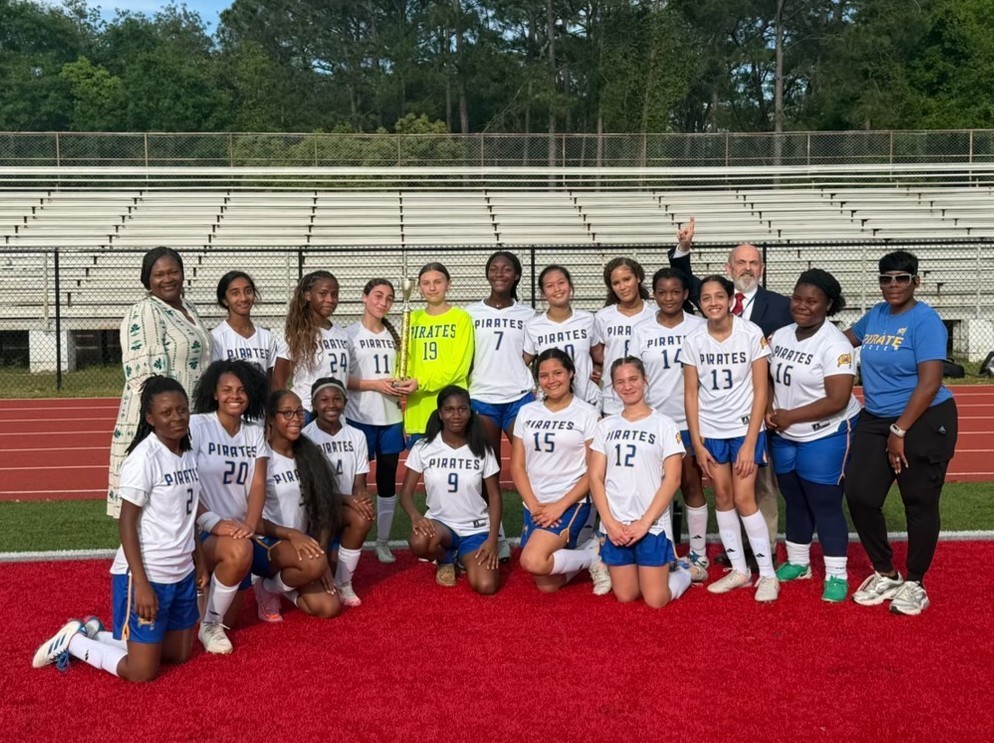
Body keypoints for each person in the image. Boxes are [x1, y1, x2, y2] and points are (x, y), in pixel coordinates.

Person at [33, 376, 207, 681]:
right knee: (141, 672)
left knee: (179, 655)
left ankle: (100, 633)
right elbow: (126, 522)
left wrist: (200, 559)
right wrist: (140, 583)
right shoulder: (144, 458)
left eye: (181, 410)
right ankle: (73, 641)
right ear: (150, 418)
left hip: (181, 571)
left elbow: (188, 514)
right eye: (166, 413)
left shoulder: (188, 455)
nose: (176, 417)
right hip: (149, 572)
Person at [843, 250, 958, 615]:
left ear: (915, 282)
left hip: (923, 417)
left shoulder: (925, 320)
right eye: (886, 279)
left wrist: (900, 429)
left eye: (901, 279)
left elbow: (930, 382)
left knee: (918, 501)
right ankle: (886, 572)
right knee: (859, 493)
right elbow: (841, 341)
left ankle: (916, 582)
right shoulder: (875, 315)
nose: (893, 285)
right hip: (877, 417)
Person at [669, 219, 791, 560]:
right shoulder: (715, 295)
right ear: (729, 267)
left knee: (759, 485)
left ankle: (761, 549)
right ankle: (733, 548)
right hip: (717, 419)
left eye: (754, 263)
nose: (747, 268)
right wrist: (684, 248)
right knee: (725, 490)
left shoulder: (780, 305)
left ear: (762, 269)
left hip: (758, 409)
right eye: (741, 262)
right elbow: (680, 278)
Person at [767, 270, 862, 603]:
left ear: (828, 305)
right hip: (784, 431)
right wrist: (769, 408)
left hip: (826, 432)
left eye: (812, 301)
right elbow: (768, 380)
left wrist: (789, 415)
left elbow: (837, 399)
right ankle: (798, 561)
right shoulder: (780, 335)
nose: (802, 306)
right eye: (797, 298)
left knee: (825, 503)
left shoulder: (836, 344)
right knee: (793, 497)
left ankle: (836, 573)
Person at [682, 275, 779, 602]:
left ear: (731, 299)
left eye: (719, 296)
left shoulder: (750, 334)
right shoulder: (694, 339)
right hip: (712, 431)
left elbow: (761, 389)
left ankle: (767, 574)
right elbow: (691, 393)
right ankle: (739, 570)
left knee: (745, 498)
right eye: (706, 298)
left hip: (743, 431)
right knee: (722, 498)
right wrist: (697, 442)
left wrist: (751, 441)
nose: (713, 303)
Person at [107, 247, 212, 518]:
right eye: (159, 274)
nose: (168, 279)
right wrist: (165, 423)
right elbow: (146, 378)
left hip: (186, 418)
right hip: (160, 422)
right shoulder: (146, 311)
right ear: (147, 280)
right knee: (153, 507)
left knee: (182, 504)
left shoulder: (188, 307)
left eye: (173, 272)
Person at [588, 357, 693, 608]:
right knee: (626, 595)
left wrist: (644, 523)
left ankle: (685, 571)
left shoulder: (664, 424)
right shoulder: (606, 426)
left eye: (633, 379)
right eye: (620, 382)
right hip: (616, 524)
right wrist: (610, 524)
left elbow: (673, 478)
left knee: (655, 600)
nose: (627, 386)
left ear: (645, 381)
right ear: (613, 388)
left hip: (651, 524)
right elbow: (595, 477)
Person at [189, 359, 270, 652]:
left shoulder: (255, 431)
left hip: (237, 533)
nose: (234, 396)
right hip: (201, 531)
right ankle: (209, 623)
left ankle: (211, 599)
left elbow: (258, 483)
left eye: (241, 390)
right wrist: (212, 521)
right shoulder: (196, 425)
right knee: (239, 550)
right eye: (227, 389)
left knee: (233, 620)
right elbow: (185, 485)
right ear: (214, 393)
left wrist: (249, 525)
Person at [634, 267, 708, 581]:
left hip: (688, 419)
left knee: (691, 484)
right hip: (654, 422)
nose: (668, 297)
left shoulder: (700, 326)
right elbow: (634, 374)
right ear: (653, 294)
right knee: (655, 489)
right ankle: (662, 552)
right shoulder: (641, 329)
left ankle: (699, 555)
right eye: (662, 292)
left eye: (675, 291)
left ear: (686, 294)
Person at [511, 349, 602, 593]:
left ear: (571, 373)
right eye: (544, 375)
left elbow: (593, 471)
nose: (551, 380)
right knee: (547, 583)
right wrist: (532, 504)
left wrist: (559, 506)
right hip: (535, 503)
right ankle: (589, 550)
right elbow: (517, 466)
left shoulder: (587, 413)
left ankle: (595, 556)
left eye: (558, 373)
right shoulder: (527, 411)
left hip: (570, 502)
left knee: (532, 560)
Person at [398, 386, 502, 595]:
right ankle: (445, 559)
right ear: (440, 413)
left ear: (470, 412)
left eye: (462, 409)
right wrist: (416, 517)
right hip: (441, 525)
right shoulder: (424, 447)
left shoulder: (482, 449)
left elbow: (495, 496)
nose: (456, 415)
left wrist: (492, 540)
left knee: (486, 586)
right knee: (419, 541)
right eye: (449, 409)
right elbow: (405, 494)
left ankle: (464, 557)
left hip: (475, 528)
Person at [466, 251, 536, 561]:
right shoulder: (470, 313)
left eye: (506, 269)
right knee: (488, 471)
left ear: (517, 276)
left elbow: (530, 354)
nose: (499, 274)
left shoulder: (529, 314)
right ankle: (498, 537)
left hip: (519, 396)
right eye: (494, 269)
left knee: (532, 465)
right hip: (482, 396)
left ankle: (533, 529)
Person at [251, 390, 344, 622]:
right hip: (266, 542)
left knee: (328, 607)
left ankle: (274, 587)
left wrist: (321, 556)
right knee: (313, 564)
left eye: (299, 412)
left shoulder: (308, 453)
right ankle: (267, 586)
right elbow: (251, 518)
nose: (296, 418)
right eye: (287, 413)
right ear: (271, 418)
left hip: (299, 545)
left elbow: (323, 508)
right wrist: (291, 534)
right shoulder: (260, 457)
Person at [345, 279, 410, 563]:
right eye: (378, 296)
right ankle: (348, 537)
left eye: (389, 299)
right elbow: (342, 378)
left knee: (386, 481)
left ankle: (382, 541)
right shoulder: (348, 334)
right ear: (364, 298)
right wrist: (375, 385)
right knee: (353, 483)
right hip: (358, 417)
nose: (383, 303)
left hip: (391, 417)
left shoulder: (396, 337)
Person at [303, 378, 374, 607]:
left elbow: (360, 483)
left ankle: (344, 582)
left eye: (336, 399)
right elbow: (312, 490)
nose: (331, 405)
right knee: (318, 572)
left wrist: (362, 498)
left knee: (363, 516)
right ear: (314, 404)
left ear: (345, 401)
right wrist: (350, 500)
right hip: (314, 511)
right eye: (324, 400)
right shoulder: (306, 436)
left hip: (343, 509)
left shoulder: (357, 435)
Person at [403, 262, 475, 444]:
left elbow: (459, 367)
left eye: (438, 282)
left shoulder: (461, 318)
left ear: (448, 284)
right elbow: (404, 359)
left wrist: (421, 382)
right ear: (418, 287)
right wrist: (400, 380)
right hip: (419, 409)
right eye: (426, 283)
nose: (432, 287)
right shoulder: (412, 317)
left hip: (453, 411)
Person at [523, 265, 600, 407]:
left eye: (561, 283)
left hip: (585, 397)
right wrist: (533, 386)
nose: (557, 289)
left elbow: (599, 357)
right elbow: (523, 363)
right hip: (550, 399)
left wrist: (598, 370)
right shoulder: (534, 326)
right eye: (550, 286)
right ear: (542, 293)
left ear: (570, 286)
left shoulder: (588, 319)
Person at [591, 257, 655, 416]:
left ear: (638, 278)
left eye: (627, 279)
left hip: (649, 397)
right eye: (616, 283)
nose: (622, 287)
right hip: (614, 400)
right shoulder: (603, 317)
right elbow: (599, 356)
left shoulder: (654, 314)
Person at [210, 271, 291, 391]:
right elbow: (214, 381)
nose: (243, 298)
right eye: (235, 293)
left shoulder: (266, 337)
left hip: (260, 408)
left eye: (248, 291)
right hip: (233, 405)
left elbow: (269, 382)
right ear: (225, 300)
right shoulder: (216, 337)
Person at [285, 270, 350, 415]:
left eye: (334, 295)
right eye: (323, 293)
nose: (330, 299)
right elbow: (279, 380)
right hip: (307, 410)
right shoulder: (296, 334)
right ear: (308, 295)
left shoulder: (343, 334)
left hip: (335, 412)